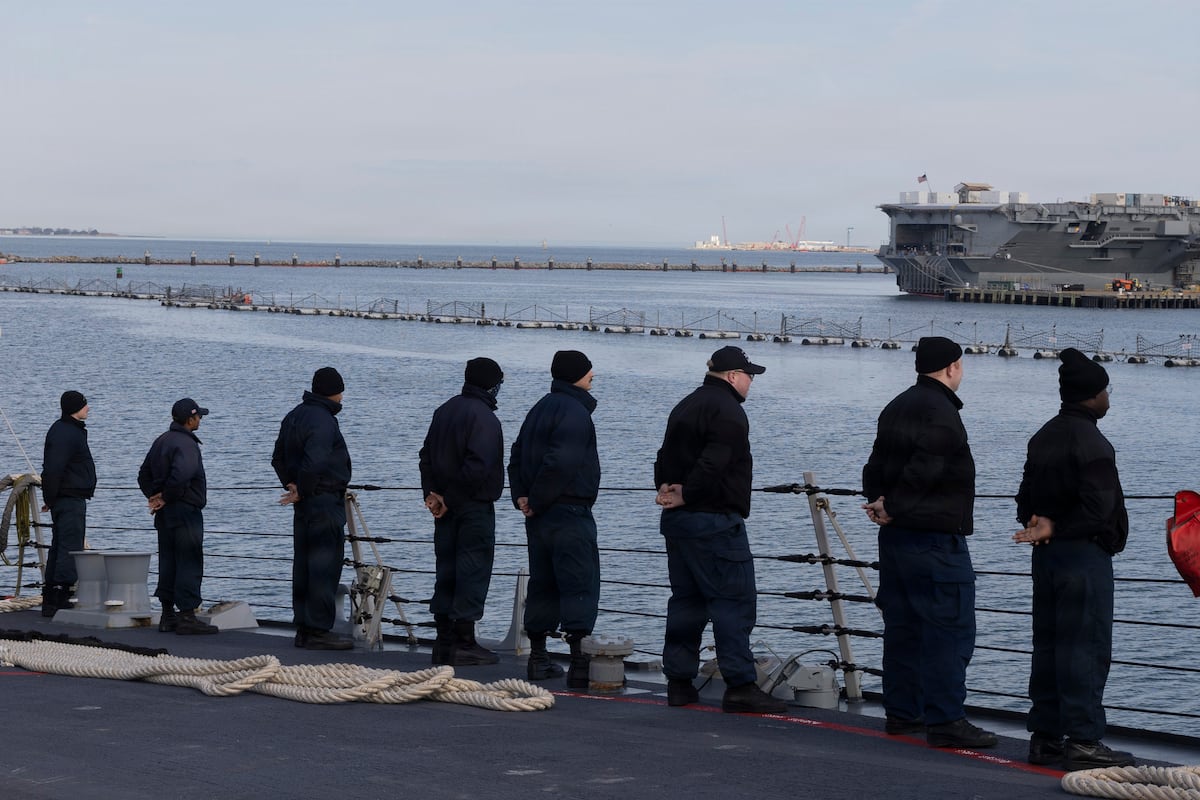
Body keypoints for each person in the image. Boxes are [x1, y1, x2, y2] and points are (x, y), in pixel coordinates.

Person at [861, 336, 996, 749]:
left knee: (903, 628)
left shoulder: (897, 405)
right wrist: (895, 505)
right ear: (952, 367)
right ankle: (947, 718)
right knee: (948, 630)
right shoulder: (942, 413)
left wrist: (880, 503)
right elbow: (926, 469)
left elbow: (875, 464)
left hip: (896, 539)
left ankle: (904, 712)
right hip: (934, 539)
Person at [1013, 348, 1135, 771]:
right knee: (1086, 646)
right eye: (1106, 391)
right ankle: (1083, 740)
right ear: (1092, 396)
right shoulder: (1093, 443)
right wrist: (1063, 527)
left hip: (1046, 557)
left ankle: (1045, 737)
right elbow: (1099, 510)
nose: (1108, 398)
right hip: (1084, 557)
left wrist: (1040, 525)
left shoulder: (1043, 436)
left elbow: (1024, 499)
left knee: (1048, 644)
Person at [654, 346, 787, 715]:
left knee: (686, 601)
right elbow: (714, 463)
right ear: (732, 376)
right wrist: (690, 493)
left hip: (678, 523)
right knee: (733, 602)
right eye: (749, 375)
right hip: (714, 520)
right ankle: (741, 685)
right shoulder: (729, 411)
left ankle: (679, 681)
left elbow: (664, 456)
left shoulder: (686, 404)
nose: (751, 382)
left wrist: (665, 489)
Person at [507, 350, 600, 688]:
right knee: (579, 582)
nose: (593, 375)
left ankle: (538, 657)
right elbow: (561, 462)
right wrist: (538, 499)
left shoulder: (540, 407)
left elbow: (516, 456)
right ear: (577, 375)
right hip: (569, 511)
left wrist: (523, 496)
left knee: (543, 583)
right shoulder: (575, 411)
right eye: (589, 371)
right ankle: (579, 663)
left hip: (539, 516)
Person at [419, 357, 506, 666]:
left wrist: (432, 495)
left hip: (444, 509)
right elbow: (478, 467)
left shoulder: (444, 410)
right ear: (492, 384)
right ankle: (464, 642)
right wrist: (450, 499)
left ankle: (443, 642)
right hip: (472, 507)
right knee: (472, 570)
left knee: (446, 570)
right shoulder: (485, 418)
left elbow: (425, 456)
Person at [272, 367, 354, 651]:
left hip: (304, 505)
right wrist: (304, 489)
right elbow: (315, 461)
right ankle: (318, 629)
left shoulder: (294, 415)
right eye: (341, 392)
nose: (342, 398)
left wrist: (292, 485)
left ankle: (304, 627)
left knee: (304, 565)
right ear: (335, 391)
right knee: (324, 566)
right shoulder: (324, 421)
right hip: (324, 501)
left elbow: (277, 458)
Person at [138, 397, 218, 635]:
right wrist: (166, 496)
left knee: (168, 561)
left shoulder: (161, 440)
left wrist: (154, 496)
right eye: (198, 416)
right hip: (185, 511)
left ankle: (167, 615)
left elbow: (143, 474)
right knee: (188, 561)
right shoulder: (186, 444)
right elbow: (182, 474)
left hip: (165, 515)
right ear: (190, 419)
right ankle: (187, 616)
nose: (200, 419)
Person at [39, 390, 97, 617]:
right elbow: (53, 469)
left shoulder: (65, 430)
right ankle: (61, 596)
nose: (88, 408)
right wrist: (50, 497)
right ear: (75, 408)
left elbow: (52, 469)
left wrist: (50, 498)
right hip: (69, 498)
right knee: (69, 546)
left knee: (60, 545)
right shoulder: (67, 432)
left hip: (65, 497)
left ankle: (51, 595)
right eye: (84, 405)